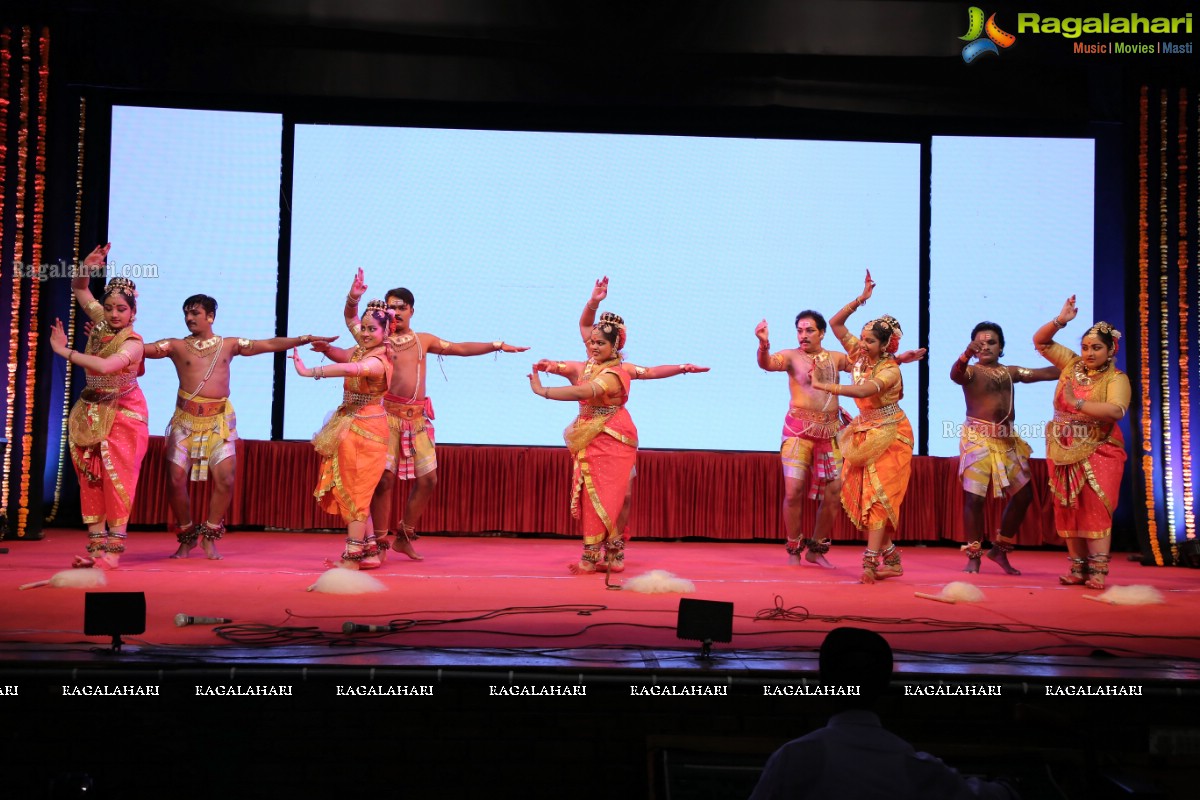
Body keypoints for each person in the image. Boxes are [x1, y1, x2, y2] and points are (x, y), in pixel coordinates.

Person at [318, 270, 528, 560]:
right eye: (391, 307)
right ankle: (378, 544)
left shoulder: (423, 340)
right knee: (384, 482)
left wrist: (496, 346)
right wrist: (325, 349)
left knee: (429, 479)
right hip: (386, 419)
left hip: (417, 420)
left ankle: (404, 534)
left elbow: (460, 348)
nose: (396, 312)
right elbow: (346, 355)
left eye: (402, 307)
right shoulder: (380, 343)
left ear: (411, 311)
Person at [528, 277, 708, 575]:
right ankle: (590, 552)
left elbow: (649, 372)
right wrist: (593, 302)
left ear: (614, 346)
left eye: (600, 342)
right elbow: (584, 330)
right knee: (592, 492)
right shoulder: (580, 365)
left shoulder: (618, 371)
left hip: (618, 434)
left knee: (623, 493)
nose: (593, 345)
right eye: (592, 341)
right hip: (589, 436)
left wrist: (682, 368)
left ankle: (614, 549)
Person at [144, 294, 337, 559]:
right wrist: (112, 336)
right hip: (185, 423)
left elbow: (268, 343)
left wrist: (303, 339)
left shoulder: (229, 345)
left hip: (218, 423)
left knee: (225, 479)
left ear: (210, 316)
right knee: (175, 480)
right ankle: (187, 536)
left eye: (195, 313)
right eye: (186, 313)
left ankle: (210, 535)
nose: (189, 318)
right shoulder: (175, 346)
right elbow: (139, 350)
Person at [748, 627, 1020, 800]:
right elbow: (991, 794)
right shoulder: (918, 768)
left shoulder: (793, 757)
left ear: (823, 683)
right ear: (887, 684)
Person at [757, 311, 925, 568]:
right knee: (793, 492)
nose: (804, 335)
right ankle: (794, 549)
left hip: (831, 431)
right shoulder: (791, 356)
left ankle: (816, 548)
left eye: (809, 330)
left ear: (822, 333)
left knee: (834, 493)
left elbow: (866, 367)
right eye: (800, 330)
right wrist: (763, 345)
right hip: (798, 432)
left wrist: (898, 359)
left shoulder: (836, 358)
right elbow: (767, 364)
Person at [47, 244, 149, 569]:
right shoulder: (102, 324)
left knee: (116, 478)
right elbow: (78, 287)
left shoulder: (133, 343)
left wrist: (64, 351)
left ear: (133, 312)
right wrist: (86, 267)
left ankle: (114, 554)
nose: (114, 313)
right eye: (109, 308)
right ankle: (95, 551)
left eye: (121, 309)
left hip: (123, 414)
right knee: (90, 477)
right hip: (90, 411)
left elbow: (106, 368)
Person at [810, 271, 913, 584]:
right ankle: (891, 559)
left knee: (878, 499)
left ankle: (870, 563)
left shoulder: (890, 369)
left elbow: (865, 391)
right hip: (864, 431)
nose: (862, 342)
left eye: (870, 340)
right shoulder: (858, 354)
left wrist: (827, 387)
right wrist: (860, 300)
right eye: (863, 338)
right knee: (862, 496)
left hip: (891, 434)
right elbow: (837, 323)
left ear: (885, 345)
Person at [1033, 297, 1130, 589]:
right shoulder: (1072, 364)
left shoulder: (1116, 378)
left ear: (1111, 349)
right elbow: (1041, 342)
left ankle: (1098, 570)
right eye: (1086, 347)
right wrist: (1060, 321)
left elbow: (1116, 410)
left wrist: (1077, 403)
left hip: (1101, 447)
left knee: (1095, 506)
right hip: (1062, 447)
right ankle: (1077, 568)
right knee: (1068, 505)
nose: (1088, 353)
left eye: (1096, 348)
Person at [951, 322, 1059, 575]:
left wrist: (1074, 365)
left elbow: (1043, 373)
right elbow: (955, 375)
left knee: (1024, 496)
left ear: (1001, 348)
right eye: (980, 343)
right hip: (977, 440)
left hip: (1008, 442)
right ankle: (974, 556)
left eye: (992, 342)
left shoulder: (1011, 372)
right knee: (974, 499)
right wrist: (965, 355)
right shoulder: (970, 372)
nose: (985, 346)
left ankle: (999, 549)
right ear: (973, 348)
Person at [292, 308, 392, 568]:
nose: (366, 333)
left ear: (386, 332)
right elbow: (350, 324)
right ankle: (369, 550)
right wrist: (353, 298)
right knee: (352, 490)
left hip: (367, 432)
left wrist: (310, 372)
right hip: (350, 425)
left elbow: (353, 368)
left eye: (373, 329)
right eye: (365, 328)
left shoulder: (377, 361)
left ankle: (352, 558)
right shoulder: (361, 349)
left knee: (357, 493)